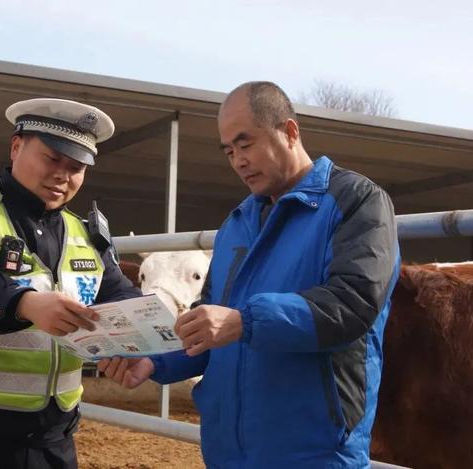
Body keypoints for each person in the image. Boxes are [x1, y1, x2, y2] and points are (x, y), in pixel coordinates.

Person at [98, 81, 400, 468]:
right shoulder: (237, 223)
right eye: (229, 150)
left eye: (246, 144)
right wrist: (155, 363)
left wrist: (244, 321)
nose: (238, 160)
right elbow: (209, 318)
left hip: (312, 451)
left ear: (290, 132)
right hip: (228, 450)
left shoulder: (357, 202)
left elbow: (353, 304)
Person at [0, 98, 141, 469]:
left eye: (76, 167)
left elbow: (119, 293)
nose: (63, 175)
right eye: (52, 159)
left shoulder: (86, 234)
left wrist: (135, 341)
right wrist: (23, 303)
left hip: (52, 437)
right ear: (16, 147)